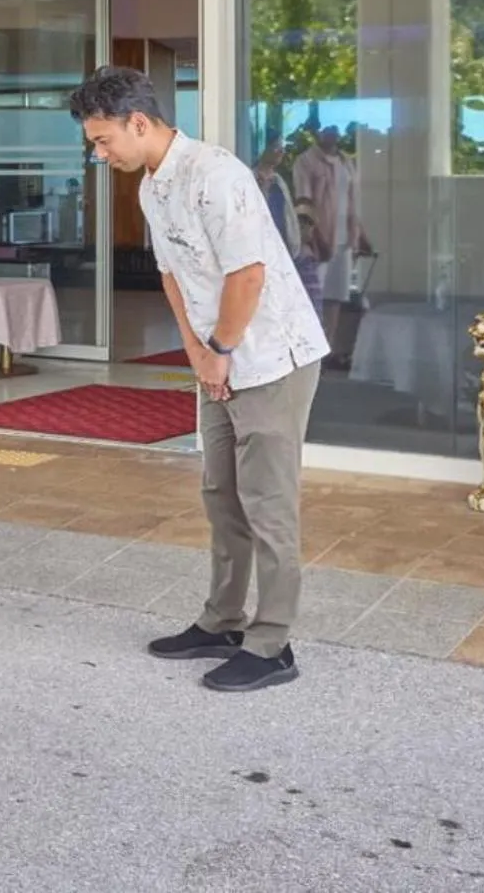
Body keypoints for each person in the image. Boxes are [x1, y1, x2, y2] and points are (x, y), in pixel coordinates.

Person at [69, 67, 328, 693]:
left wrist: (221, 350)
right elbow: (173, 277)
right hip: (219, 356)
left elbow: (248, 276)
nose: (98, 155)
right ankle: (222, 621)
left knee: (267, 504)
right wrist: (198, 353)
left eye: (103, 141)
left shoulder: (217, 175)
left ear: (138, 122)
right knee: (221, 495)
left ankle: (272, 646)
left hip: (271, 358)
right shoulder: (151, 188)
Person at [293, 125, 371, 356]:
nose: (332, 133)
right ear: (317, 133)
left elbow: (352, 202)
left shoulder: (347, 161)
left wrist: (360, 235)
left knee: (336, 297)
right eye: (327, 129)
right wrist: (316, 237)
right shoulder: (306, 161)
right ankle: (309, 351)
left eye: (335, 130)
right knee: (313, 296)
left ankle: (329, 351)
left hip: (344, 239)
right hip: (320, 240)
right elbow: (304, 202)